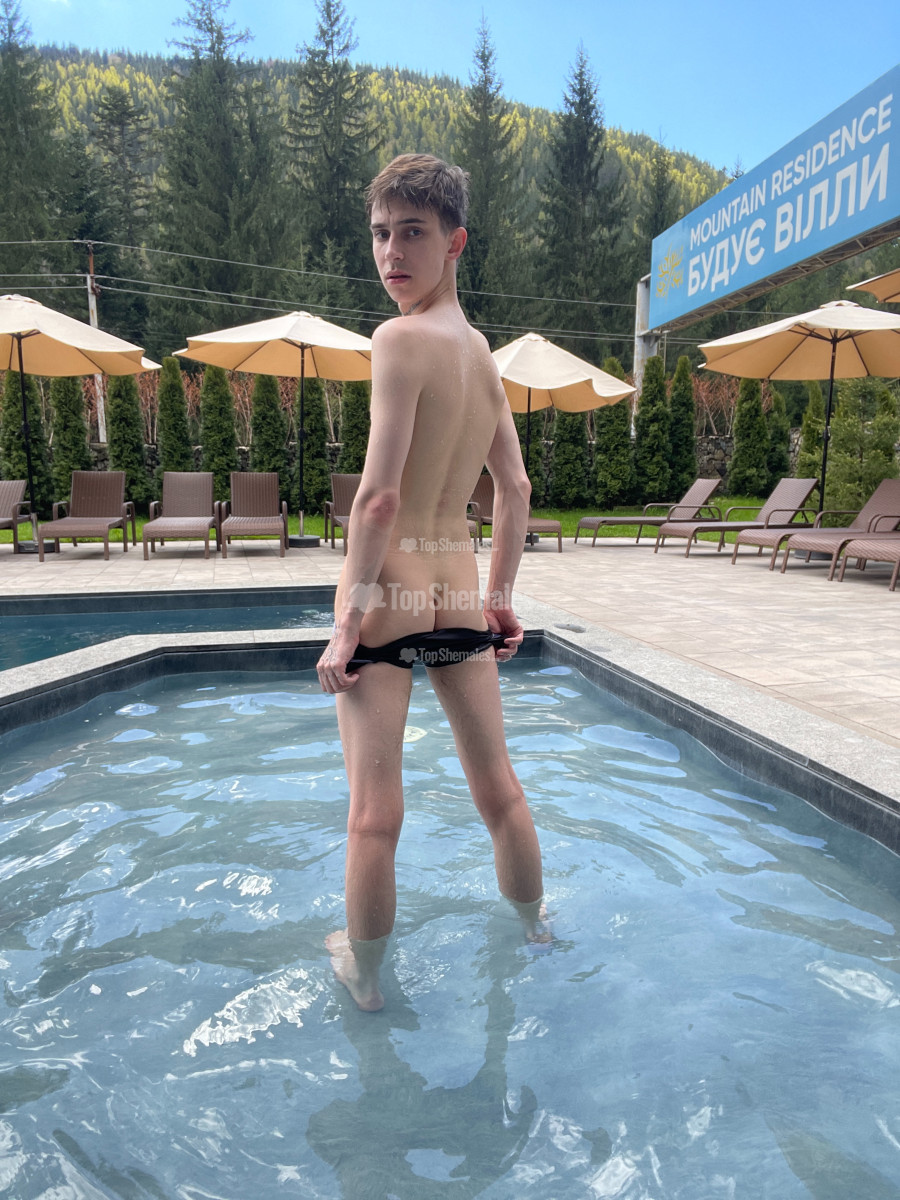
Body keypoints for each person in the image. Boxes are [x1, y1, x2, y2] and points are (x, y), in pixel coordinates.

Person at [317, 153, 545, 1011]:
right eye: (381, 234)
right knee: (500, 790)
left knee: (374, 814)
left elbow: (378, 500)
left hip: (388, 601)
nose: (391, 253)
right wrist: (500, 598)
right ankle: (534, 927)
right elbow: (515, 490)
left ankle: (366, 979)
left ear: (455, 243)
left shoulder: (397, 340)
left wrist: (348, 622)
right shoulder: (483, 358)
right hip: (456, 596)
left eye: (412, 233)